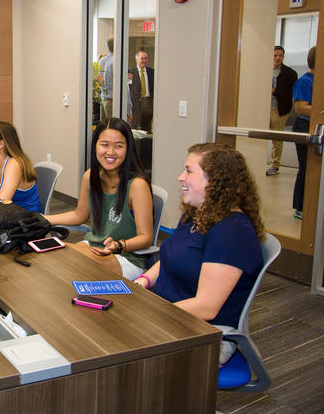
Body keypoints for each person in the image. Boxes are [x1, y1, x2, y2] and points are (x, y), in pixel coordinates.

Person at [133, 143, 264, 366]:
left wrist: (149, 314)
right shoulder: (198, 213)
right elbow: (169, 257)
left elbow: (206, 307)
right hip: (170, 315)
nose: (180, 177)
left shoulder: (232, 233)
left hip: (203, 333)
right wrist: (142, 281)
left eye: (189, 171)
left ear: (216, 181)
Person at [44, 118, 153, 280]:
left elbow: (146, 237)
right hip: (93, 245)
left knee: (67, 268)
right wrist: (43, 219)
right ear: (95, 146)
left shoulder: (137, 185)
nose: (110, 152)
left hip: (125, 257)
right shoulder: (90, 177)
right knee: (51, 255)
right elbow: (79, 215)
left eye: (118, 146)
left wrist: (119, 245)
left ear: (128, 149)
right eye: (105, 144)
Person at [266, 46, 298, 176]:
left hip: (279, 110)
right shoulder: (264, 70)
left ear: (283, 57)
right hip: (263, 109)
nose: (278, 58)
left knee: (277, 138)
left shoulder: (289, 73)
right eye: (275, 55)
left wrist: (275, 91)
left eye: (280, 55)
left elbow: (291, 92)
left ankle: (275, 164)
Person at [292, 46, 315, 219]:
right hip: (304, 126)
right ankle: (300, 206)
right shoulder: (305, 81)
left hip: (316, 126)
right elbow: (300, 108)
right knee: (306, 168)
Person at [98, 36, 133, 122]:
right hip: (114, 103)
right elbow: (125, 88)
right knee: (115, 130)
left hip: (104, 102)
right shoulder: (118, 62)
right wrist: (129, 110)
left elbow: (98, 82)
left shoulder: (101, 61)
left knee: (105, 130)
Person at [127, 50, 154, 132]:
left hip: (148, 104)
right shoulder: (130, 72)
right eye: (142, 58)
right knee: (134, 129)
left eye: (146, 58)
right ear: (136, 60)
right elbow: (128, 89)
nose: (144, 61)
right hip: (135, 105)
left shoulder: (152, 72)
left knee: (146, 130)